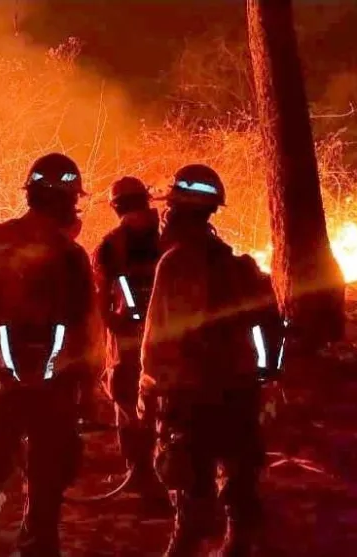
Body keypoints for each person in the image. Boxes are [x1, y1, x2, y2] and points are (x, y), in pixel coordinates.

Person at [0, 153, 103, 557]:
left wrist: (1, 343)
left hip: (2, 389)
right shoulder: (72, 256)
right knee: (45, 499)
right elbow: (88, 330)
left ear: (30, 194)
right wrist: (88, 389)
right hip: (57, 395)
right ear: (71, 202)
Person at [141, 164, 286, 557]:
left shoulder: (173, 265)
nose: (165, 216)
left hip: (190, 398)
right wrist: (265, 375)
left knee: (190, 497)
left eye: (170, 208)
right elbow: (273, 325)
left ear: (179, 212)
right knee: (239, 489)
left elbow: (157, 339)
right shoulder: (240, 266)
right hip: (238, 392)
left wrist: (149, 389)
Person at [91, 176, 170, 511]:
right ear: (147, 200)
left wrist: (109, 333)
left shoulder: (109, 246)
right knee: (164, 405)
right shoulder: (170, 237)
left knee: (127, 405)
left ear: (114, 207)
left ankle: (140, 474)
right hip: (168, 337)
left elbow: (99, 302)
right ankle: (164, 474)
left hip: (127, 341)